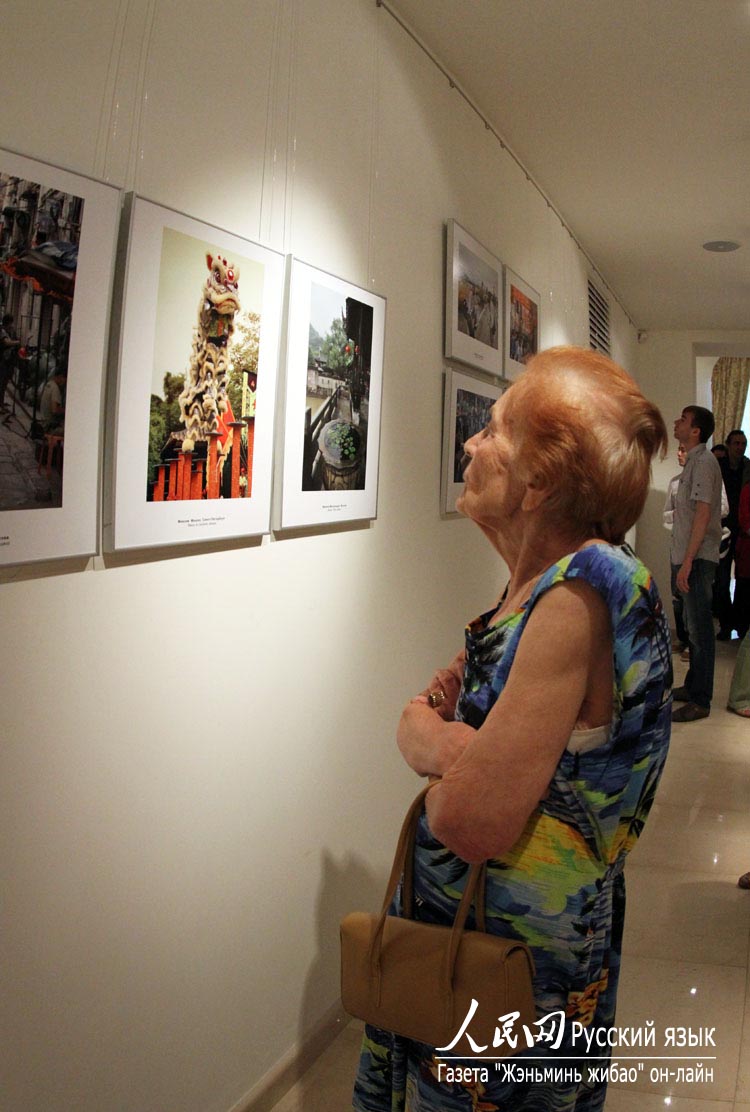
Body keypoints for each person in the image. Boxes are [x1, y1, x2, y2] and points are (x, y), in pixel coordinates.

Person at [353, 347, 672, 1112]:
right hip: (480, 950)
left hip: (511, 978)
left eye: (494, 430)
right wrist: (440, 742)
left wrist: (435, 747)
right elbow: (428, 720)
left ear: (539, 483)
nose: (471, 443)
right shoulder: (539, 590)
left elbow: (470, 817)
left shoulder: (581, 593)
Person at [670, 406, 724, 722]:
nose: (677, 422)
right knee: (692, 625)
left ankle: (701, 700)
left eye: (683, 420)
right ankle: (693, 687)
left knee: (701, 630)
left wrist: (688, 561)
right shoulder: (693, 461)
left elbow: (703, 515)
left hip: (698, 558)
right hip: (687, 556)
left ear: (696, 431)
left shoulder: (704, 463)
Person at [716, 429, 750, 639]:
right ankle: (726, 624)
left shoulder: (749, 467)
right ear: (728, 445)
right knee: (721, 580)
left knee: (743, 580)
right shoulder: (718, 468)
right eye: (736, 443)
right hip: (723, 530)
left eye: (743, 443)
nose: (740, 447)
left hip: (744, 532)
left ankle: (741, 623)